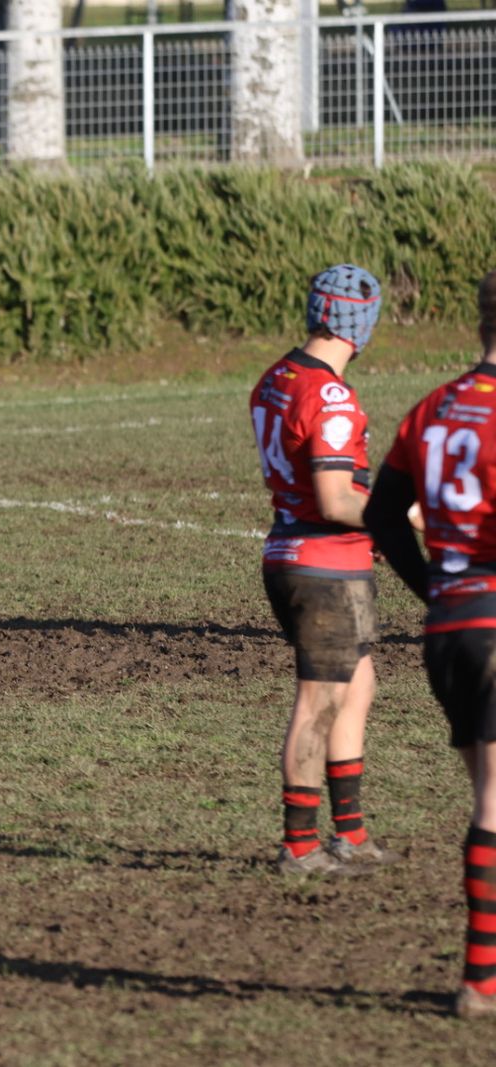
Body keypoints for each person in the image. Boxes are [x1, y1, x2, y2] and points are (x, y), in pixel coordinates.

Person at [365, 269, 496, 1019]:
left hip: (451, 628)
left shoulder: (433, 406)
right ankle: (480, 979)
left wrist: (436, 593)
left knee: (488, 795)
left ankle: (483, 974)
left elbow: (384, 516)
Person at [249, 264, 398, 875]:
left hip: (295, 553)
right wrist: (400, 519)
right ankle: (301, 847)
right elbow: (338, 500)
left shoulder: (277, 376)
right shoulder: (330, 392)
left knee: (356, 690)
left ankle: (352, 835)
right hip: (324, 566)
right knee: (319, 702)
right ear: (358, 323)